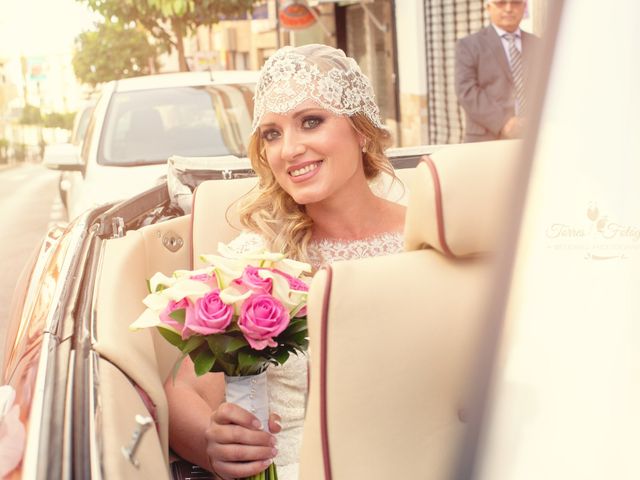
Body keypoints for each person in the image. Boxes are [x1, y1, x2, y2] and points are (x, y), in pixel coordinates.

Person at [164, 44, 406, 480]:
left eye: (310, 122)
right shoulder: (254, 262)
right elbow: (183, 390)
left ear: (361, 132)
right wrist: (211, 441)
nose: (289, 149)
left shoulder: (432, 237)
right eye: (272, 133)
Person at [455, 0, 540, 142]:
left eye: (516, 3)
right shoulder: (469, 45)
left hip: (531, 139)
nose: (509, 9)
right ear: (488, 7)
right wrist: (504, 123)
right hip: (486, 139)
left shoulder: (538, 44)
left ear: (524, 6)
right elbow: (466, 91)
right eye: (501, 3)